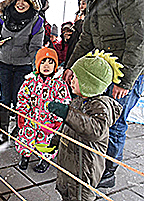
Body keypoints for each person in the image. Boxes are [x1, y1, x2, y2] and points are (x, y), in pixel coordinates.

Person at [64, 0, 144, 188]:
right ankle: (91, 161)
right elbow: (86, 38)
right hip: (102, 71)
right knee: (96, 118)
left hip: (127, 73)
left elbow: (140, 39)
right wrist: (71, 66)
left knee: (115, 122)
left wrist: (125, 80)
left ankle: (108, 171)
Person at [49, 50, 123, 200]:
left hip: (84, 168)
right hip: (69, 162)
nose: (71, 81)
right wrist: (56, 140)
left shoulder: (101, 106)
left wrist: (67, 113)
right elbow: (69, 126)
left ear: (88, 83)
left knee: (80, 196)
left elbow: (95, 130)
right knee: (67, 193)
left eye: (76, 78)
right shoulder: (78, 100)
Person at [0, 0, 44, 145]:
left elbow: (35, 47)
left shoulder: (37, 21)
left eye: (25, 0)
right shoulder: (2, 14)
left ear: (32, 2)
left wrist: (37, 69)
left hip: (23, 65)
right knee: (5, 97)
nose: (21, 4)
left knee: (20, 99)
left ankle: (19, 128)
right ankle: (3, 131)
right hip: (2, 61)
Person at [15, 47, 71, 172]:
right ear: (37, 64)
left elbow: (63, 102)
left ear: (55, 65)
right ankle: (25, 156)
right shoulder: (30, 81)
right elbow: (23, 96)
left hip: (48, 121)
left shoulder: (59, 84)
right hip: (31, 118)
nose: (46, 66)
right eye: (43, 62)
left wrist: (57, 121)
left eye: (50, 62)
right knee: (26, 138)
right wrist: (22, 113)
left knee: (46, 142)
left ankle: (45, 159)